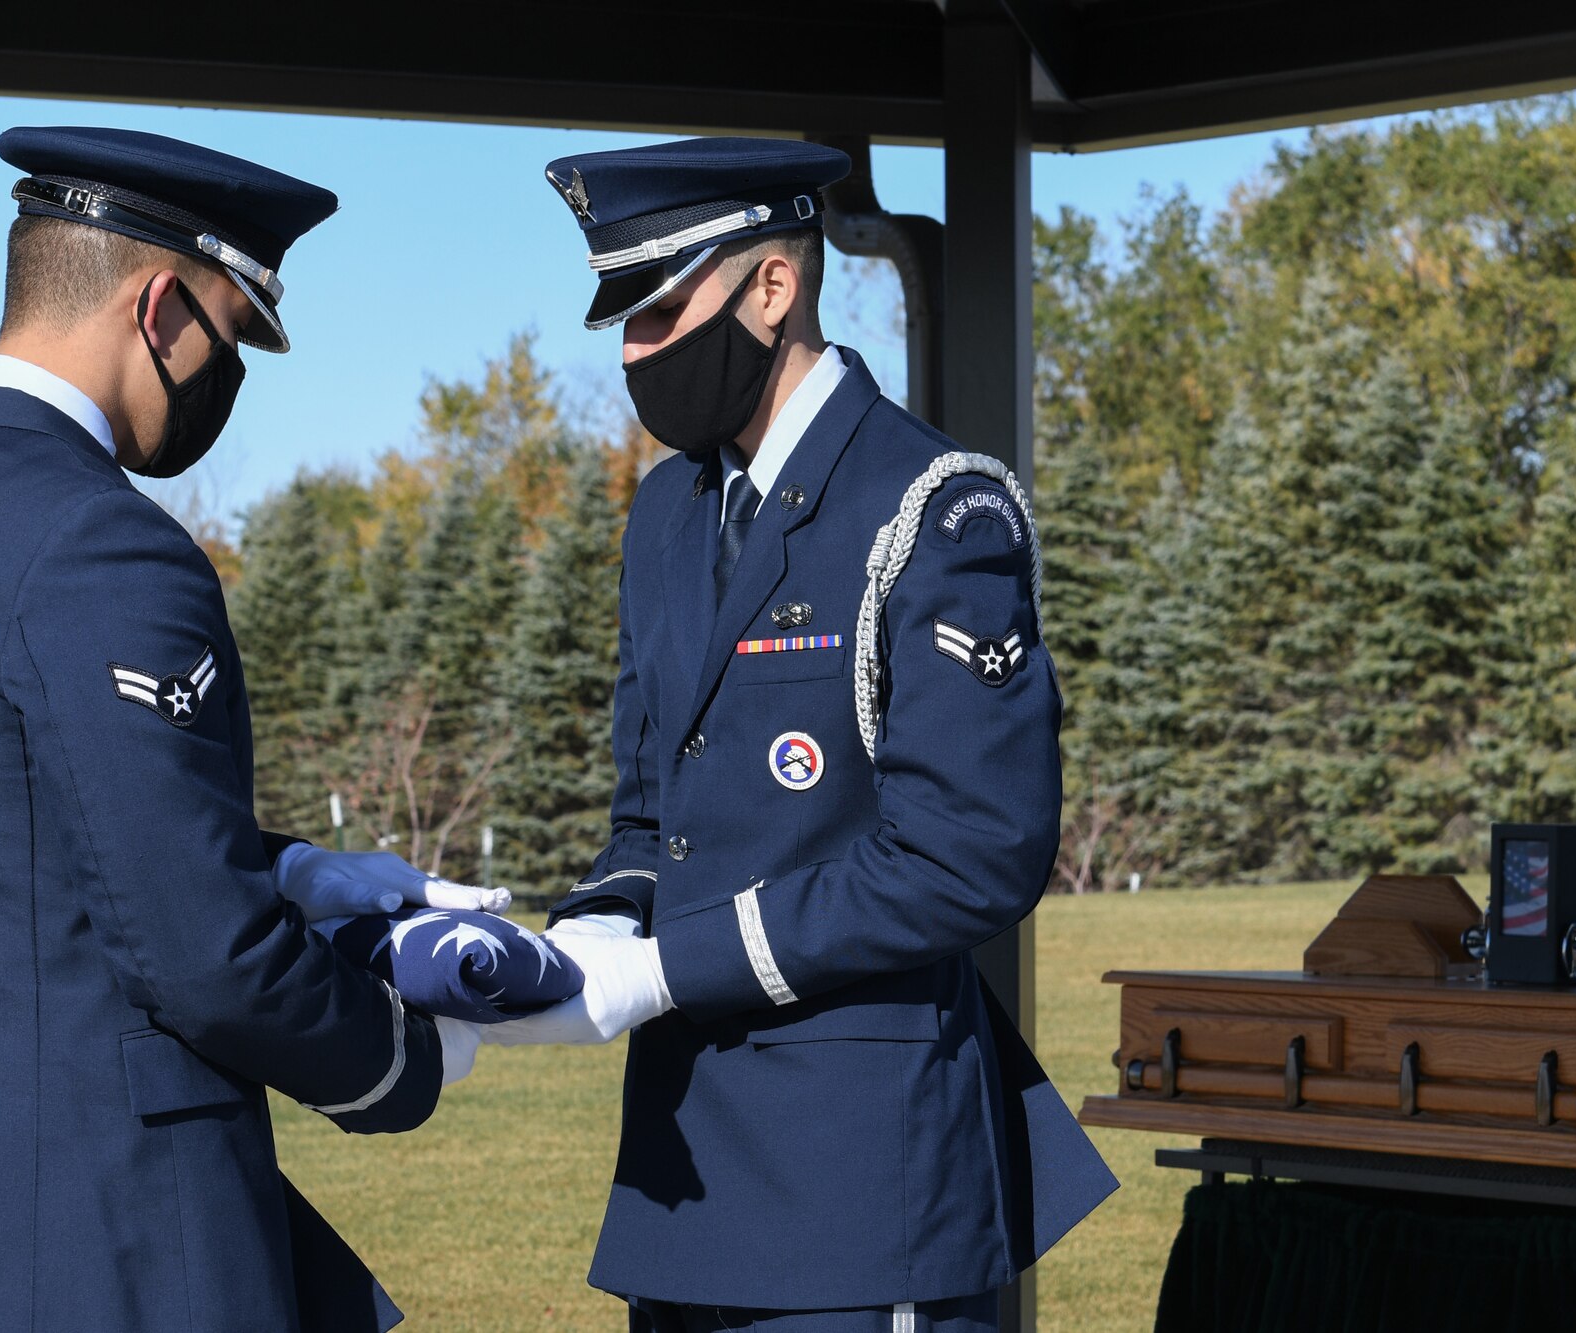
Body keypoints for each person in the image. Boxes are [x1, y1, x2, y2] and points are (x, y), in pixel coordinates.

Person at [0, 126, 490, 1333]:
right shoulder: (103, 545)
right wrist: (402, 1057)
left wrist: (291, 865)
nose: (232, 375)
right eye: (232, 335)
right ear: (161, 307)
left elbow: (13, 821)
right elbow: (206, 956)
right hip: (97, 1237)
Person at [480, 138, 1119, 1332]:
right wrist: (589, 930)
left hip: (856, 1183)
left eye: (659, 309)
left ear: (770, 290)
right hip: (683, 1175)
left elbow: (967, 851)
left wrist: (662, 968)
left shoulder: (933, 504)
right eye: (617, 319)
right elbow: (649, 811)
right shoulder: (668, 512)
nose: (632, 352)